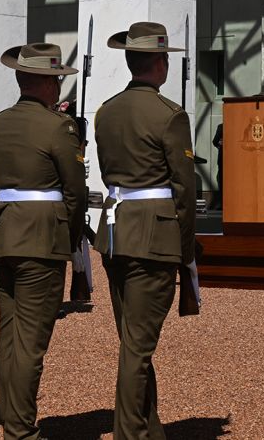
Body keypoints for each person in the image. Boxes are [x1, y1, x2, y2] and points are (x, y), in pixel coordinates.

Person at [93, 22, 198, 440]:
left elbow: (108, 172)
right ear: (158, 62)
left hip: (116, 232)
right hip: (154, 235)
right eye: (166, 57)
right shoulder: (170, 114)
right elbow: (184, 191)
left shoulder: (107, 110)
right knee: (138, 348)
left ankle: (148, 428)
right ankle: (130, 434)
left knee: (132, 341)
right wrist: (186, 249)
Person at [0, 43, 87, 440]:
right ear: (46, 83)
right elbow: (75, 192)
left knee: (9, 335)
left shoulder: (0, 121)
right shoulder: (57, 126)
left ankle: (12, 421)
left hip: (4, 231)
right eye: (56, 80)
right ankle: (21, 430)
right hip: (41, 237)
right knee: (30, 342)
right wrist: (73, 237)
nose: (59, 88)